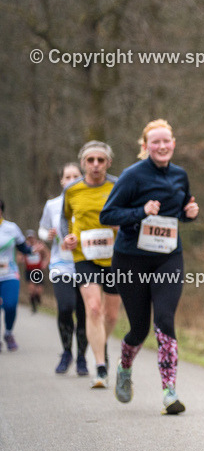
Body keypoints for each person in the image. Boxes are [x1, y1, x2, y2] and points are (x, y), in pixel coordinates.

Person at [100, 119, 198, 415]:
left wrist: (189, 214)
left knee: (165, 319)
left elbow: (180, 211)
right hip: (131, 259)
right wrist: (140, 212)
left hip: (168, 256)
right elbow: (107, 215)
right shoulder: (132, 176)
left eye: (166, 141)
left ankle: (169, 392)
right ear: (145, 146)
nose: (162, 146)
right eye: (155, 142)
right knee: (140, 328)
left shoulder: (180, 175)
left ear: (174, 143)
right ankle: (125, 366)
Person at [61, 141, 120, 388]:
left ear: (108, 163)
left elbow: (129, 215)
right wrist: (68, 237)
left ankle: (100, 345)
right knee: (93, 308)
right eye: (90, 160)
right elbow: (65, 220)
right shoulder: (72, 190)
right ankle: (100, 367)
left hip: (116, 256)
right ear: (83, 162)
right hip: (84, 256)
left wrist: (123, 226)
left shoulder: (118, 186)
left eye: (101, 160)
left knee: (111, 313)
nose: (95, 165)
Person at [40, 163, 90, 375]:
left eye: (75, 176)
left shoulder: (87, 200)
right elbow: (42, 229)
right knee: (65, 308)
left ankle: (81, 358)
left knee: (84, 312)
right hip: (61, 264)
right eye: (67, 176)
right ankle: (67, 351)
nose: (71, 180)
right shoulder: (52, 205)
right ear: (61, 180)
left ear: (82, 177)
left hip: (86, 263)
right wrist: (46, 236)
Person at [0, 199, 41, 351]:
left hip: (9, 273)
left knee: (10, 305)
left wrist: (31, 250)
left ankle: (8, 333)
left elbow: (22, 247)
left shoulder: (11, 228)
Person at [22, 231, 49, 313]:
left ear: (34, 237)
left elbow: (47, 254)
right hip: (29, 270)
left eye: (32, 237)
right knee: (32, 289)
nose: (30, 239)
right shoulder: (25, 246)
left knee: (39, 290)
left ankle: (38, 298)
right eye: (29, 238)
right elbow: (20, 255)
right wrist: (22, 258)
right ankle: (33, 306)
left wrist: (45, 262)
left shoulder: (40, 245)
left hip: (38, 270)